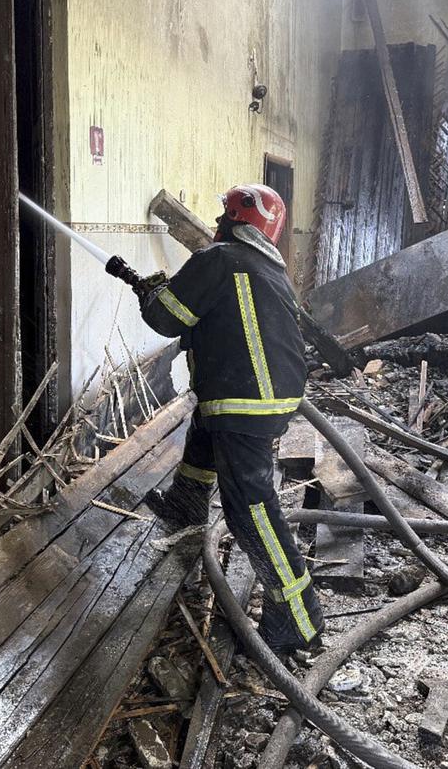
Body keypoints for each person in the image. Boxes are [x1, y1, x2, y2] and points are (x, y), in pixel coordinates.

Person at [137, 183, 324, 654]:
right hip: (256, 392)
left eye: (225, 214)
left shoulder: (220, 259)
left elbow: (167, 319)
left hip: (246, 399)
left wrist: (153, 291)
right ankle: (186, 506)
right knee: (204, 433)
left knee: (250, 509)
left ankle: (297, 618)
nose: (218, 221)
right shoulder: (264, 265)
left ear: (240, 220)